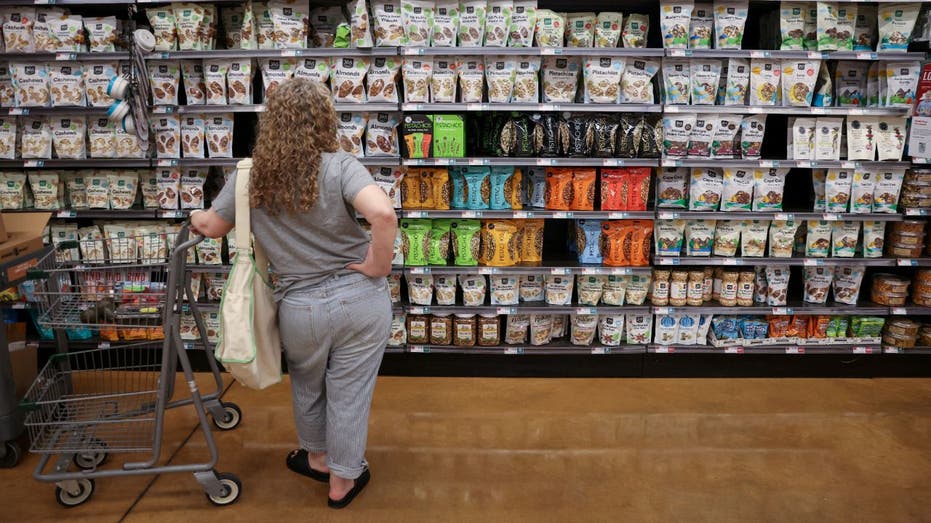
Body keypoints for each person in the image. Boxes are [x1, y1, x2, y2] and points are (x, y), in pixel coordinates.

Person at [189, 77, 396, 509]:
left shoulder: (250, 174)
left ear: (273, 123)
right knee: (349, 392)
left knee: (307, 384)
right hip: (359, 299)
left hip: (299, 306)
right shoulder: (340, 165)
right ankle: (342, 481)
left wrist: (194, 213)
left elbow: (211, 228)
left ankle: (317, 457)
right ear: (325, 119)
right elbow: (382, 214)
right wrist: (378, 265)